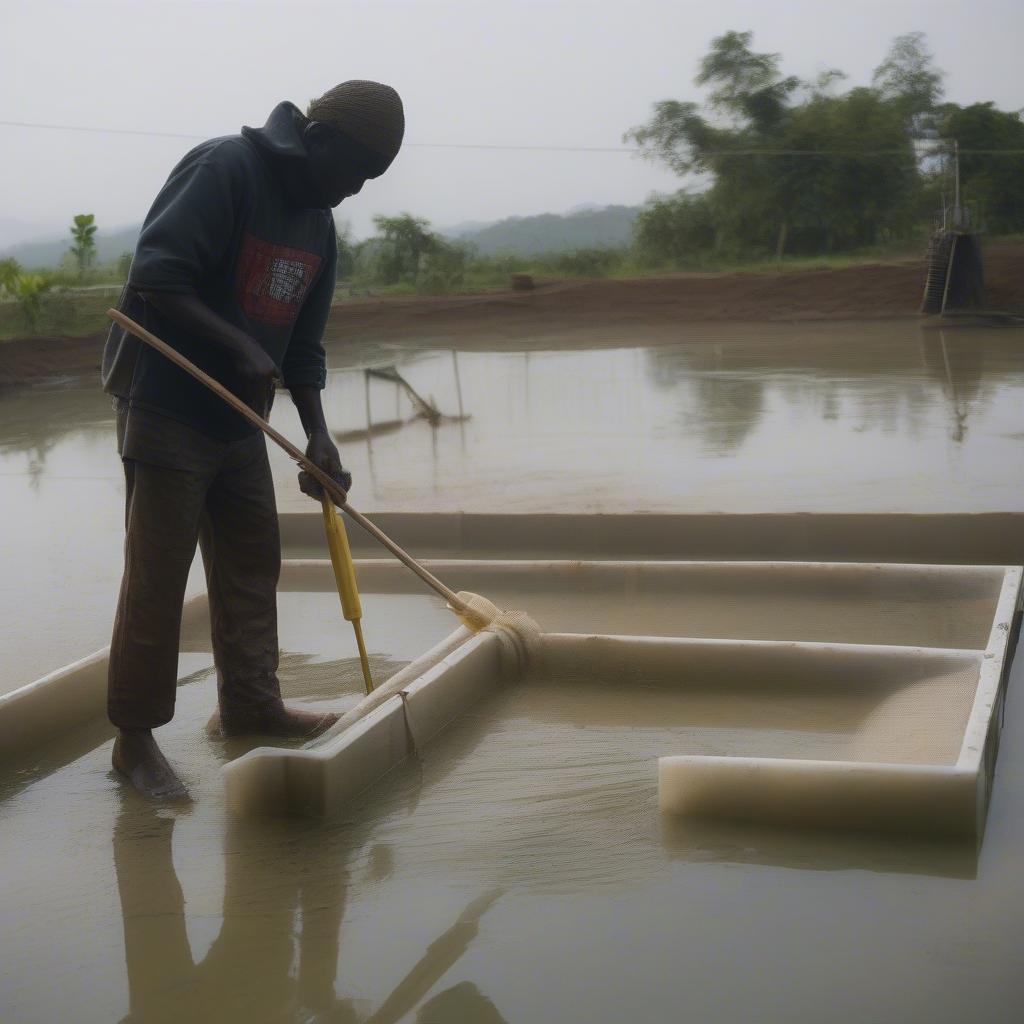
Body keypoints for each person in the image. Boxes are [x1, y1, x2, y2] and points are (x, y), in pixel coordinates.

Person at [101, 81, 405, 801]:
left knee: (250, 564)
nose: (356, 189)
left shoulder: (319, 227)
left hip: (240, 413)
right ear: (319, 139)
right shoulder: (226, 170)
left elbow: (302, 346)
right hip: (169, 399)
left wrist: (319, 436)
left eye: (372, 180)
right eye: (355, 170)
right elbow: (155, 279)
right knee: (159, 577)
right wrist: (235, 343)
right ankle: (134, 743)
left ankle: (249, 705)